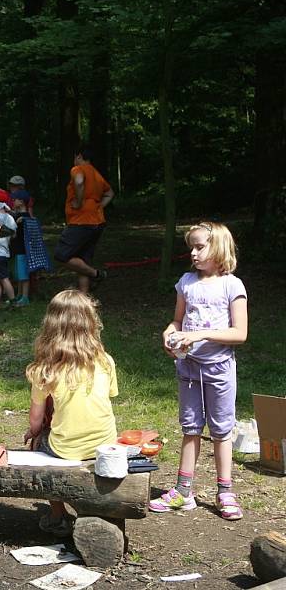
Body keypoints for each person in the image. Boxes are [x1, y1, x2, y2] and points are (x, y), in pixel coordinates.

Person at [149, 222, 247, 521]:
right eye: (191, 246)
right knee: (190, 429)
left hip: (218, 370)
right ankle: (183, 491)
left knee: (221, 431)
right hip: (189, 369)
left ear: (218, 247)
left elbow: (240, 333)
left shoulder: (232, 285)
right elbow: (177, 321)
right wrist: (170, 333)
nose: (193, 252)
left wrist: (199, 335)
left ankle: (225, 491)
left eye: (200, 246)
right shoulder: (186, 282)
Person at [23, 289, 118, 537]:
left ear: (51, 326)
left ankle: (57, 515)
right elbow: (106, 398)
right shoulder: (105, 361)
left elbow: (35, 421)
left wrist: (34, 433)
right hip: (104, 444)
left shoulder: (45, 370)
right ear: (90, 323)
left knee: (36, 444)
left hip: (66, 449)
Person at [53, 145, 114, 293]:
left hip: (81, 222)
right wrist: (99, 207)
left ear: (79, 156)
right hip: (97, 223)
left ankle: (96, 274)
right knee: (83, 259)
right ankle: (84, 299)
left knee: (61, 255)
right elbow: (110, 193)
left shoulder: (77, 169)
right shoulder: (96, 174)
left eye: (75, 157)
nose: (74, 161)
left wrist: (80, 202)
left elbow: (79, 182)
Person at [9, 193, 32, 306]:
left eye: (15, 199)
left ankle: (25, 297)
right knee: (19, 274)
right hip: (18, 249)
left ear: (21, 202)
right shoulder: (19, 216)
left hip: (23, 249)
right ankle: (20, 294)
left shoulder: (24, 217)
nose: (13, 201)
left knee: (23, 275)